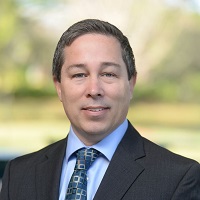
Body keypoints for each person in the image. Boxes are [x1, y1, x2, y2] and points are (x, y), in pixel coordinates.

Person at [0, 19, 200, 200]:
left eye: (108, 74)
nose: (94, 90)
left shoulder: (179, 178)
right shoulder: (18, 173)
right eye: (79, 75)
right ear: (59, 86)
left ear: (131, 84)